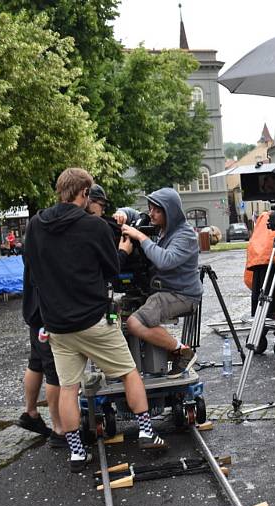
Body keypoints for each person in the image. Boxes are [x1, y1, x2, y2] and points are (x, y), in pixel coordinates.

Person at [23, 168, 167, 473]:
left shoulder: (35, 225)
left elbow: (32, 266)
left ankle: (76, 452)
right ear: (84, 193)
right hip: (93, 319)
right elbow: (113, 271)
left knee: (68, 388)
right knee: (129, 373)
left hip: (57, 325)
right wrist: (124, 250)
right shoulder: (94, 227)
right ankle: (146, 431)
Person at [120, 188, 202, 378]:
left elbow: (166, 260)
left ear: (169, 211)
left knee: (134, 323)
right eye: (150, 209)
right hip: (163, 291)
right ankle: (165, 354)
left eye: (157, 210)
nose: (151, 214)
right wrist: (122, 213)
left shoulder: (185, 235)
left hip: (182, 295)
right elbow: (134, 214)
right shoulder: (160, 226)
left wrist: (141, 237)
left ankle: (183, 352)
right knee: (121, 318)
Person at [17, 272, 65, 449]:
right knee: (54, 370)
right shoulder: (46, 242)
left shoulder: (31, 243)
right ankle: (59, 430)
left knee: (36, 362)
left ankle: (30, 413)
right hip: (47, 309)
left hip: (33, 308)